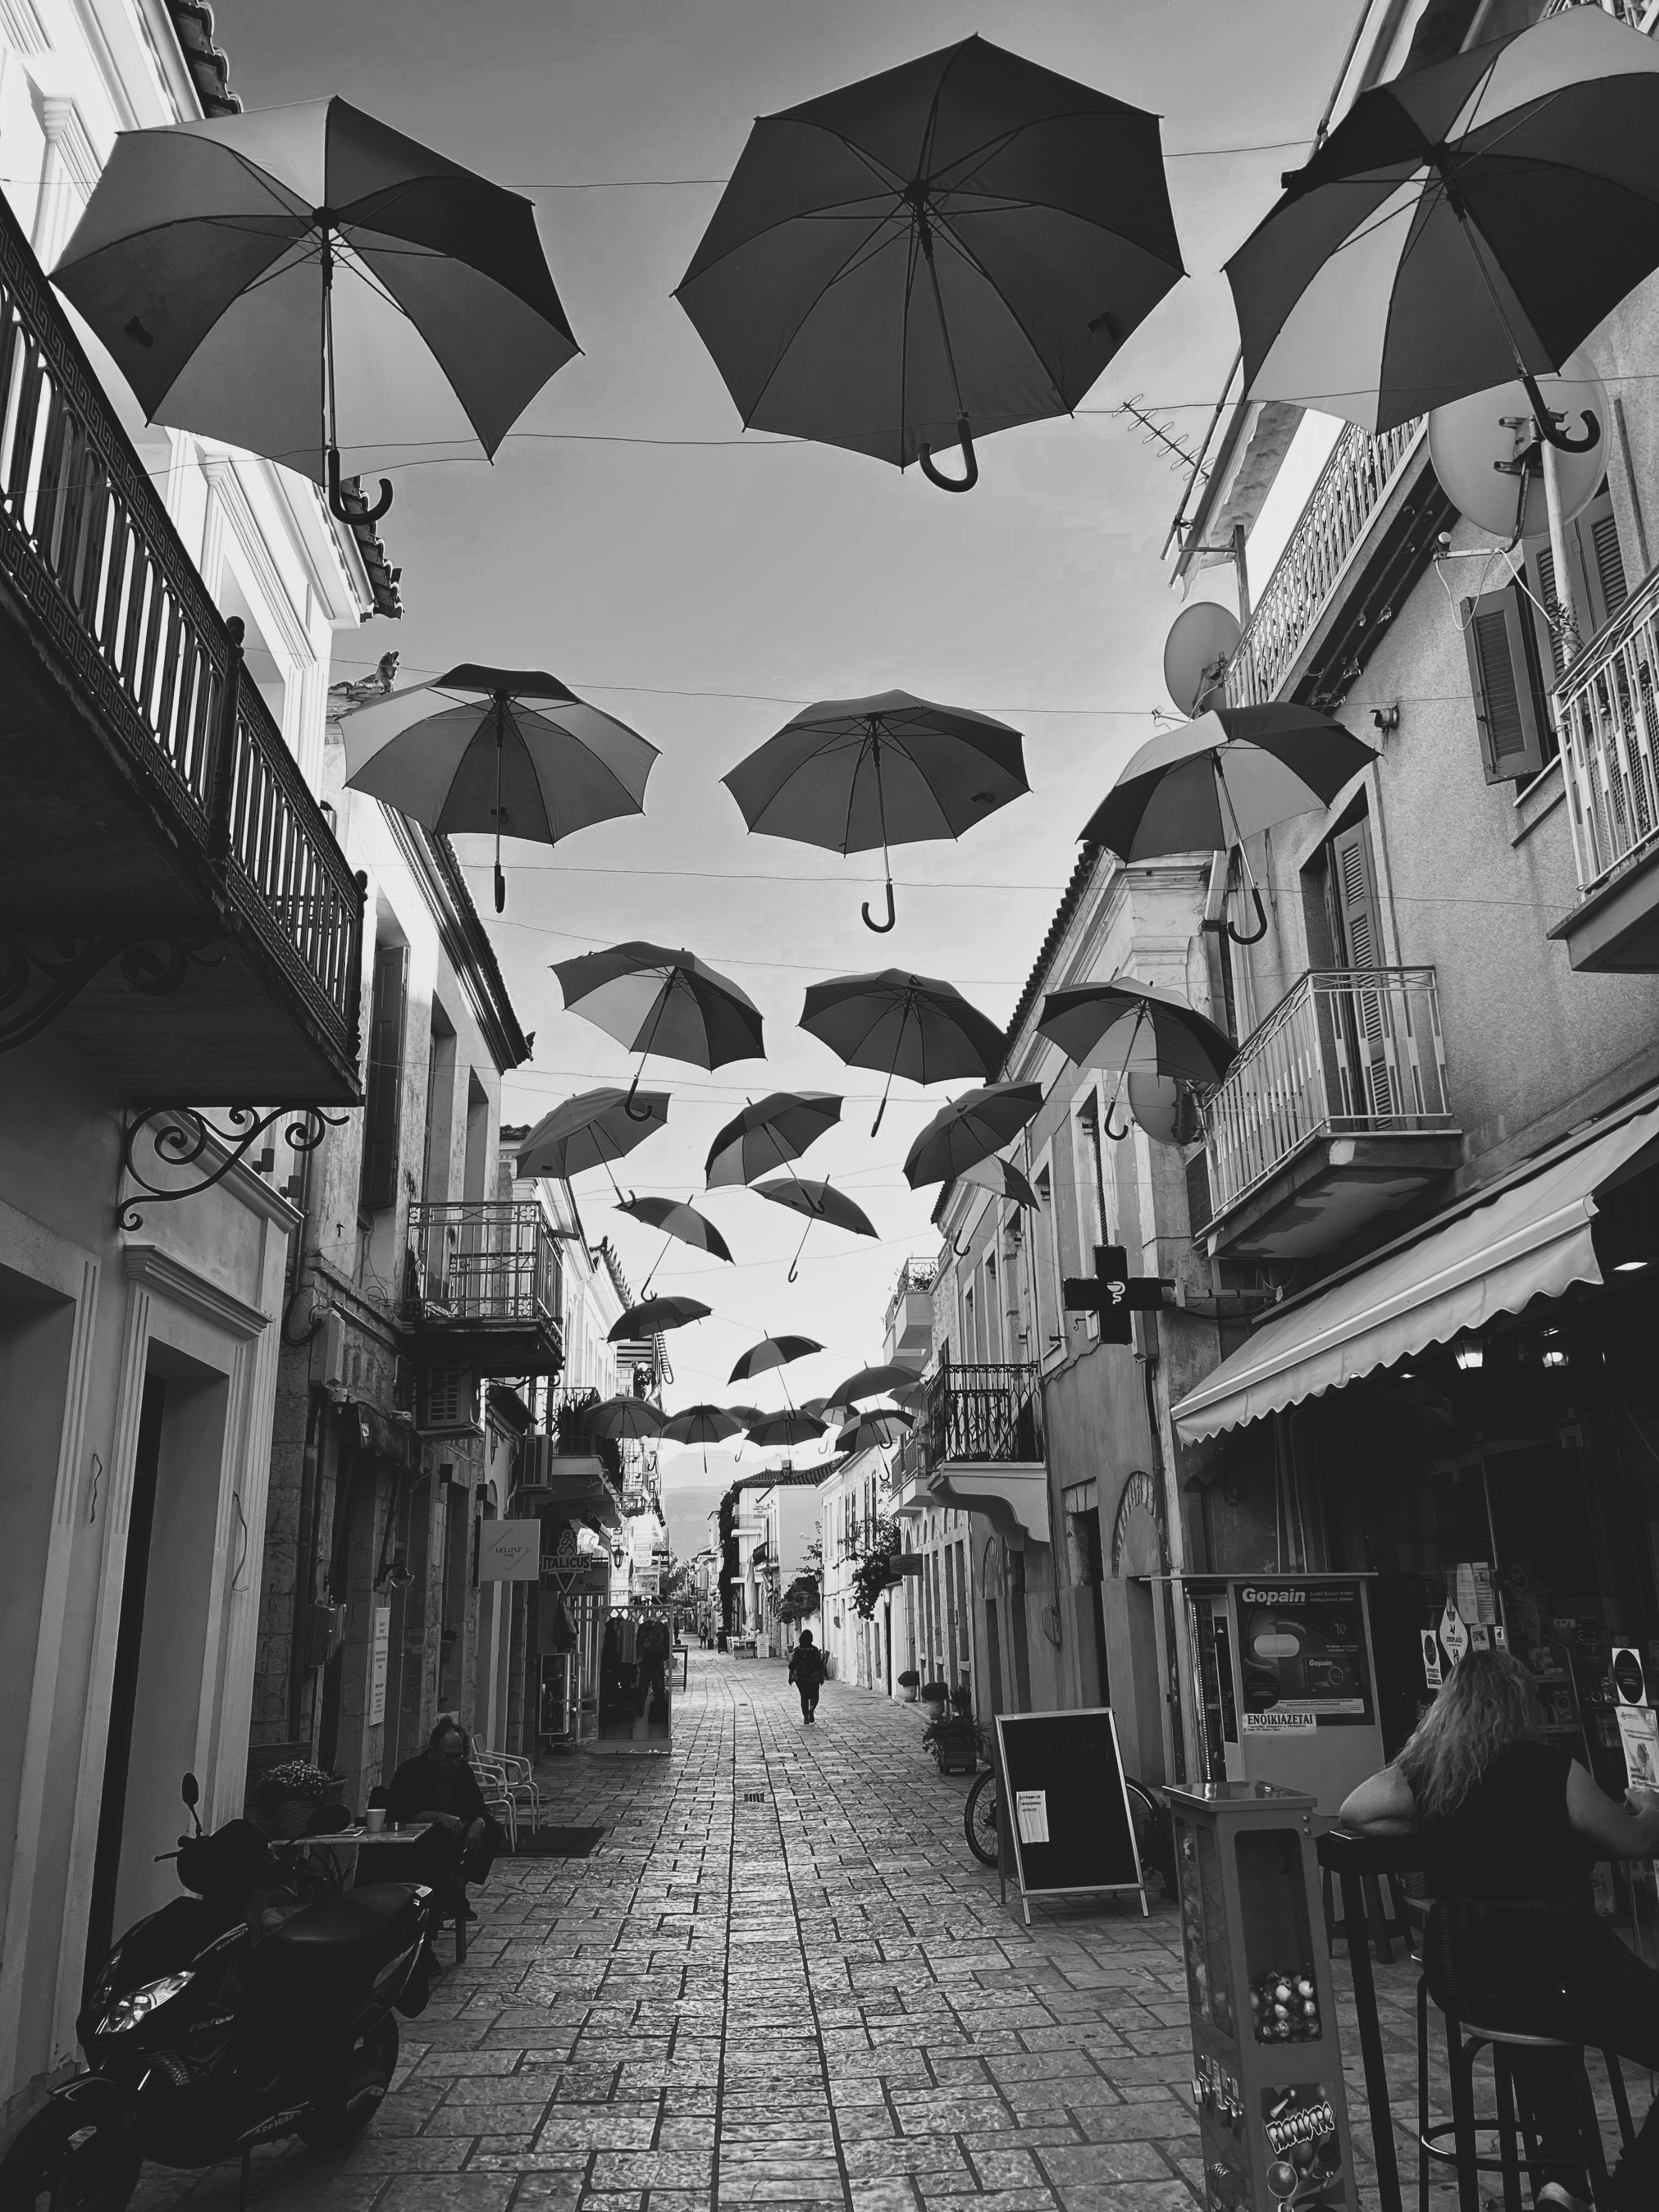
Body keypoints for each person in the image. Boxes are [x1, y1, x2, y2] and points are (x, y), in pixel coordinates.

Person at [1340, 1648, 1659, 2212]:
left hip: (1464, 1969)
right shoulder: (1550, 1768)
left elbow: (1358, 1810)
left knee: (1541, 2018)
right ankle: (1634, 2191)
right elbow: (1633, 1842)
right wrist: (1649, 1804)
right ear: (1519, 1705)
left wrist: (1427, 1819)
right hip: (1550, 1963)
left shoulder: (1435, 1773)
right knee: (1559, 2001)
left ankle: (1564, 2177)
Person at [384, 1718, 504, 1925]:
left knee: (492, 1828)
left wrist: (480, 1823)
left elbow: (479, 1806)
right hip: (419, 1848)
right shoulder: (411, 1772)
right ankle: (426, 1938)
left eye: (459, 1757)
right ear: (432, 1754)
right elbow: (400, 1813)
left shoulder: (462, 1771)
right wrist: (439, 1817)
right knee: (436, 1878)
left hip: (451, 1843)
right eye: (448, 1758)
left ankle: (456, 1891)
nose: (455, 1763)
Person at [788, 1631, 827, 1725]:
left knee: (804, 1697)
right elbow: (820, 1665)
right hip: (814, 1678)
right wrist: (822, 1676)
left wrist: (790, 1677)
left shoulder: (797, 1651)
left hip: (800, 1678)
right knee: (815, 1695)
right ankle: (812, 1709)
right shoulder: (815, 1651)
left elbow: (793, 1664)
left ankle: (806, 1718)